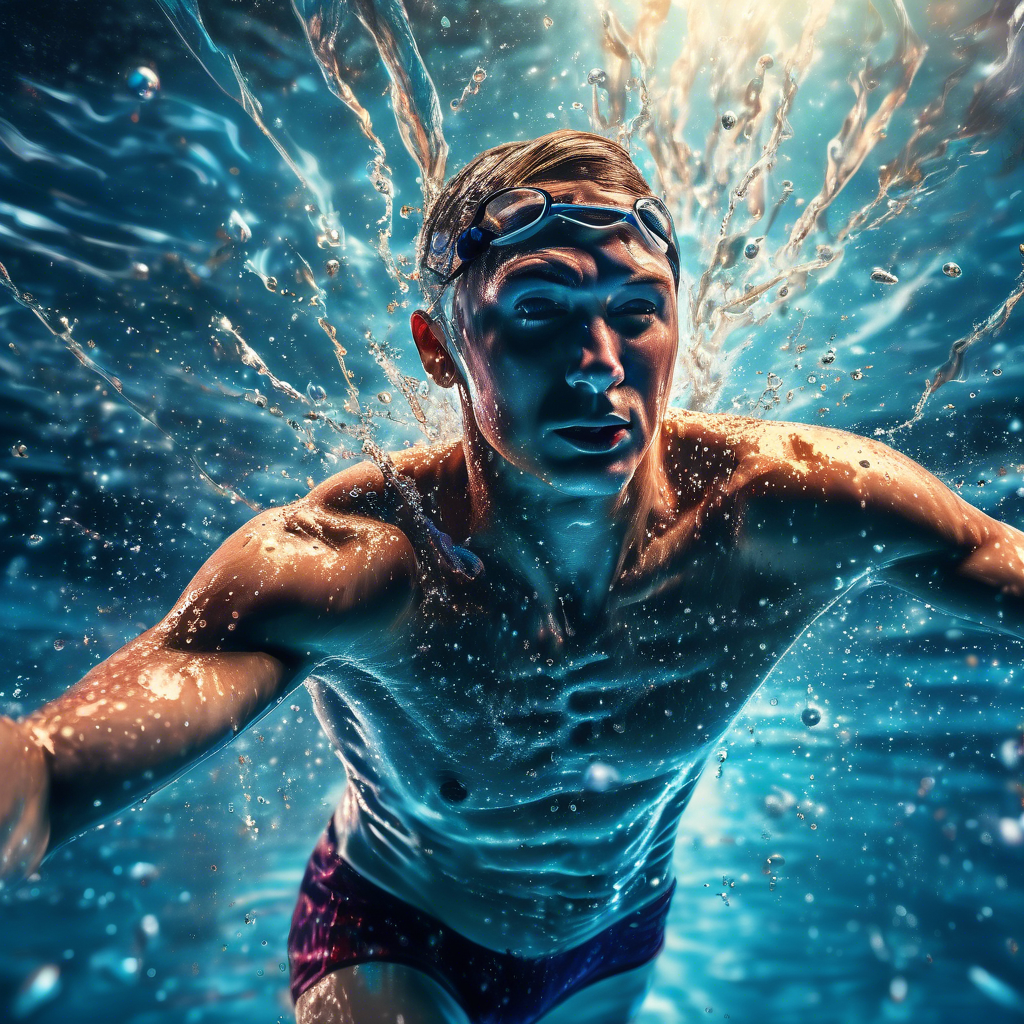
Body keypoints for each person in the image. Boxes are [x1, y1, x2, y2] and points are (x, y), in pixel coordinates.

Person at [1, 129, 1022, 1024]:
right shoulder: (357, 564)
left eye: (636, 309)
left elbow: (993, 558)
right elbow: (51, 767)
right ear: (440, 348)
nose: (596, 361)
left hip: (616, 937)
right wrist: (21, 780)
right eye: (536, 313)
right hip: (392, 933)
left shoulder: (784, 509)